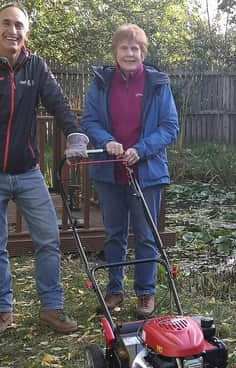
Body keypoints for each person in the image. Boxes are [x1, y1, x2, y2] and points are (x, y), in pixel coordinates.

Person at [0, 2, 89, 338]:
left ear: (26, 33)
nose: (12, 31)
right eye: (6, 24)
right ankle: (2, 311)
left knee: (48, 239)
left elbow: (57, 102)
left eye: (18, 26)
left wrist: (73, 133)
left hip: (29, 173)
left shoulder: (36, 67)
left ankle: (51, 308)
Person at [75, 23, 178, 319]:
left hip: (147, 171)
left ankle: (146, 293)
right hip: (110, 171)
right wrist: (107, 141)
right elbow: (90, 120)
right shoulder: (102, 82)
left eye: (135, 48)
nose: (130, 53)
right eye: (124, 48)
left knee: (146, 236)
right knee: (114, 234)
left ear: (143, 52)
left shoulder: (158, 84)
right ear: (115, 51)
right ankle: (115, 290)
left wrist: (141, 149)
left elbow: (170, 127)